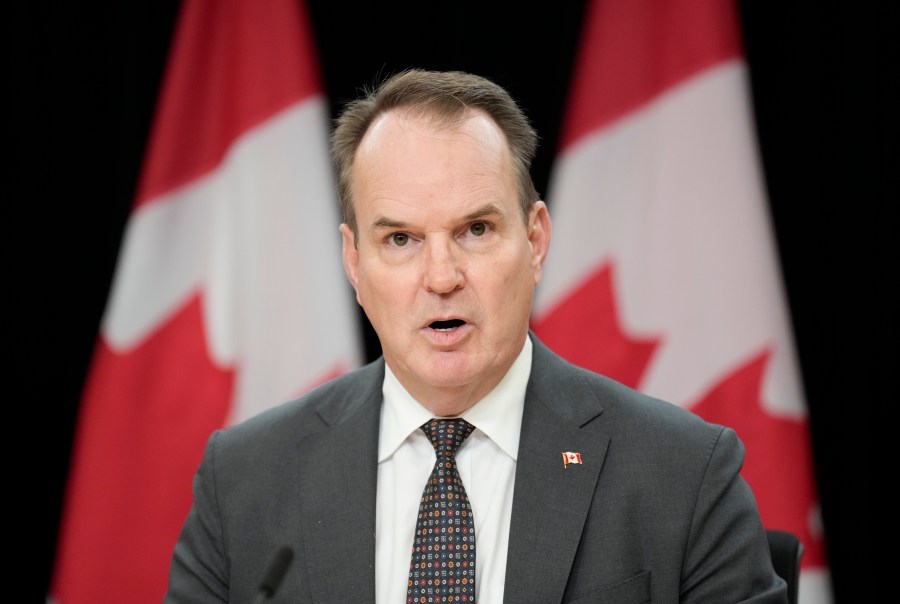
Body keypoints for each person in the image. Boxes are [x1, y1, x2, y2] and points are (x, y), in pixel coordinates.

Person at [165, 68, 787, 603]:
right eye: (400, 240)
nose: (441, 277)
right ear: (354, 263)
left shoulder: (682, 475)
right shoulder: (243, 482)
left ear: (536, 240)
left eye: (476, 230)